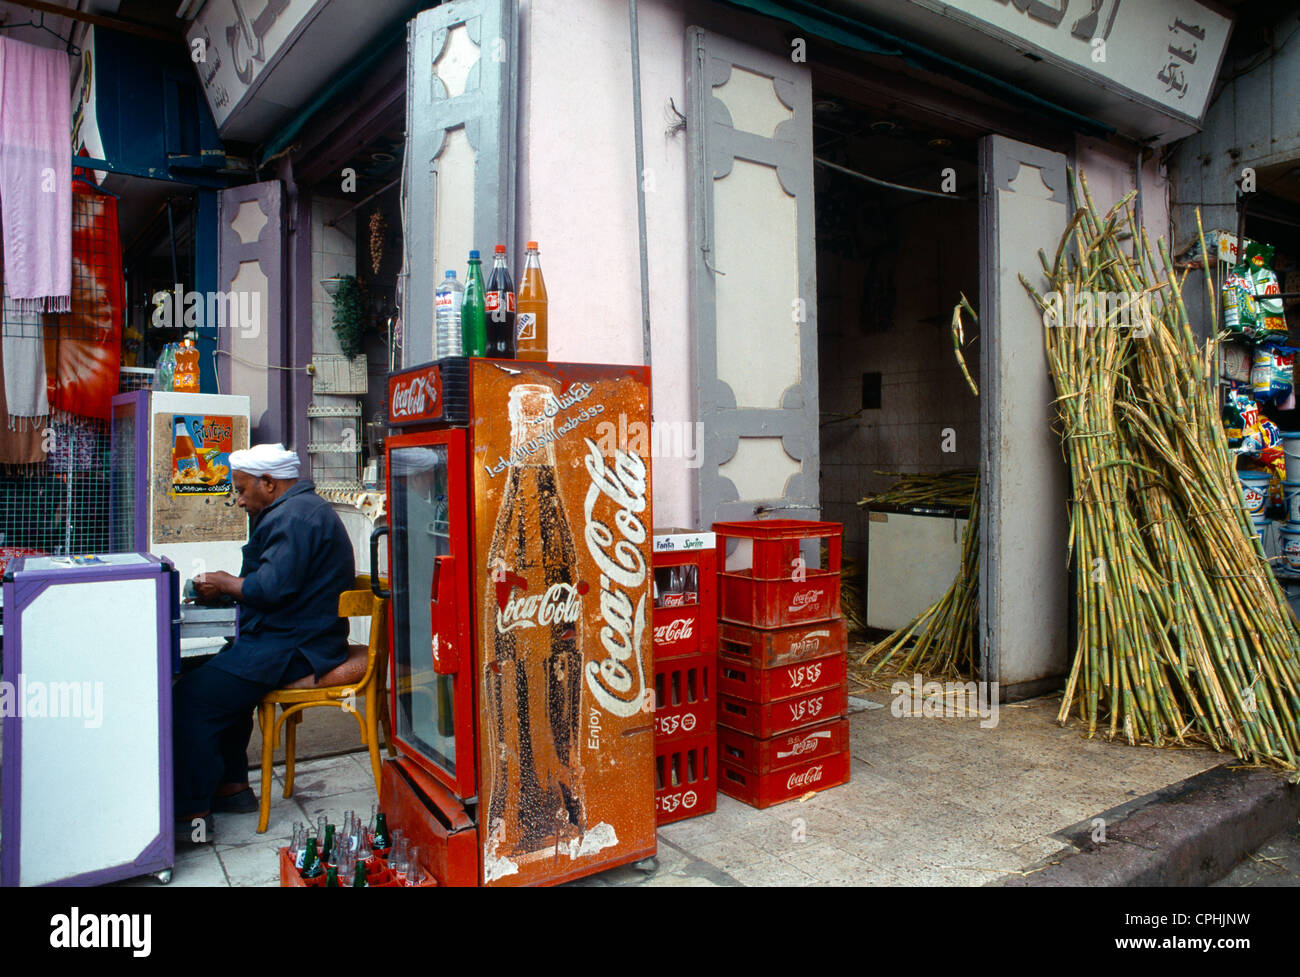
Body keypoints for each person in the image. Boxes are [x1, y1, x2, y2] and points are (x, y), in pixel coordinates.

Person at [173, 443, 355, 845]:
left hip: (297, 646)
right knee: (215, 681)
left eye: (241, 490)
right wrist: (224, 592)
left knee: (192, 696)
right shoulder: (293, 511)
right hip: (289, 637)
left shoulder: (296, 517)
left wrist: (223, 582)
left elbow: (271, 588)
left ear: (268, 483)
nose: (238, 500)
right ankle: (231, 788)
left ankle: (192, 816)